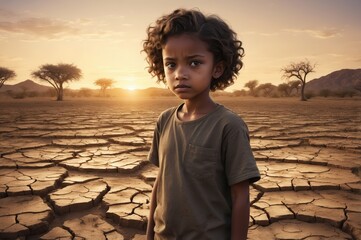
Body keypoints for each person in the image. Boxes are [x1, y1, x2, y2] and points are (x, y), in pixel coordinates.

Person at [143, 8, 260, 240]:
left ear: (217, 68)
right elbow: (160, 181)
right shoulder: (165, 120)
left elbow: (240, 197)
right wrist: (149, 234)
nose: (180, 74)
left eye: (194, 63)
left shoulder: (229, 126)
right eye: (170, 64)